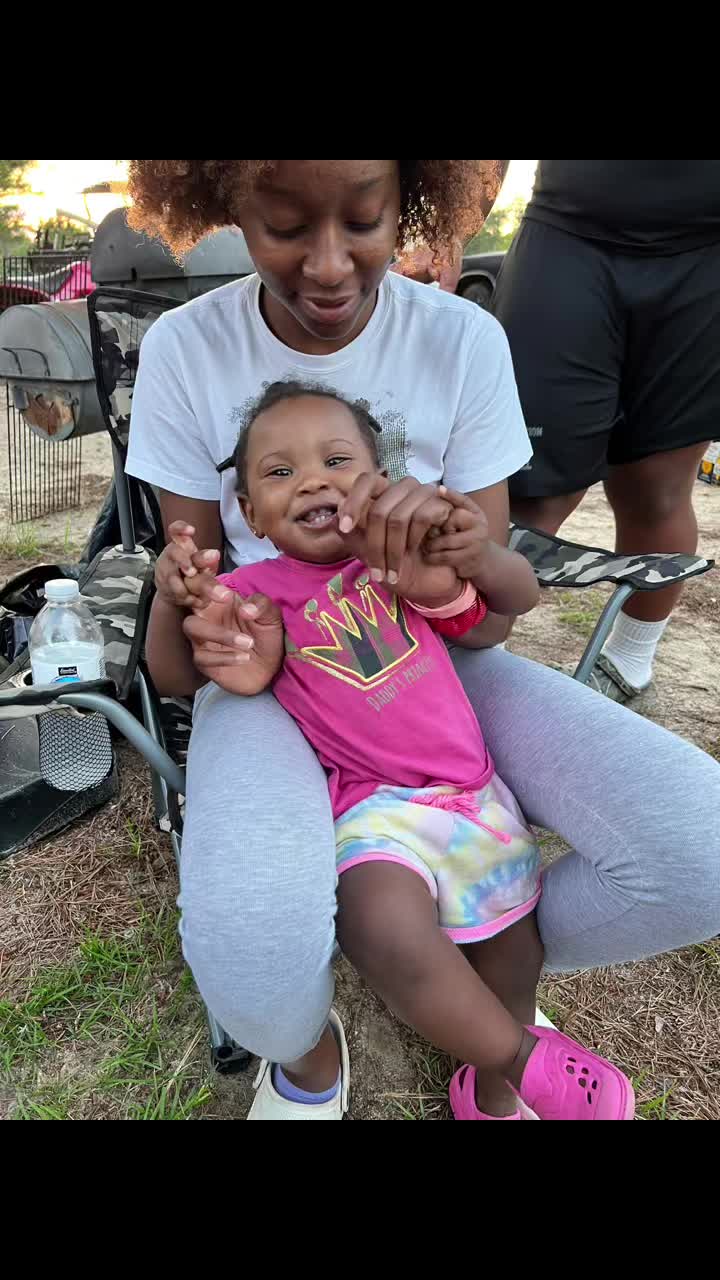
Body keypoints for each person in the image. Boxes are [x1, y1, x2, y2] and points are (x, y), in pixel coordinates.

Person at [126, 159, 720, 1121]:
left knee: (702, 851)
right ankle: (310, 1054)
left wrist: (458, 553)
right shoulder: (187, 348)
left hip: (433, 658)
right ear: (226, 207)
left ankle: (481, 990)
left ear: (414, 201)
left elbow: (491, 614)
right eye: (286, 227)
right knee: (253, 953)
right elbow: (191, 625)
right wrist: (208, 627)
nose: (329, 265)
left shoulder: (463, 338)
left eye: (365, 221)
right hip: (276, 678)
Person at [147, 379, 636, 1120]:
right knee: (379, 924)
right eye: (279, 471)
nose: (313, 480)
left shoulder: (404, 563)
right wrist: (172, 598)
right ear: (249, 512)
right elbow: (174, 676)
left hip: (473, 798)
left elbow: (518, 598)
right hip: (371, 809)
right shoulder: (252, 593)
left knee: (514, 958)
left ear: (380, 482)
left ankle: (495, 1094)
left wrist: (480, 552)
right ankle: (520, 1058)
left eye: (337, 461)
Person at [493, 159, 720, 702]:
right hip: (568, 231)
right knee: (523, 488)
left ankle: (627, 662)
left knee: (655, 488)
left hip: (707, 253)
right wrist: (449, 229)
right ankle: (474, 660)